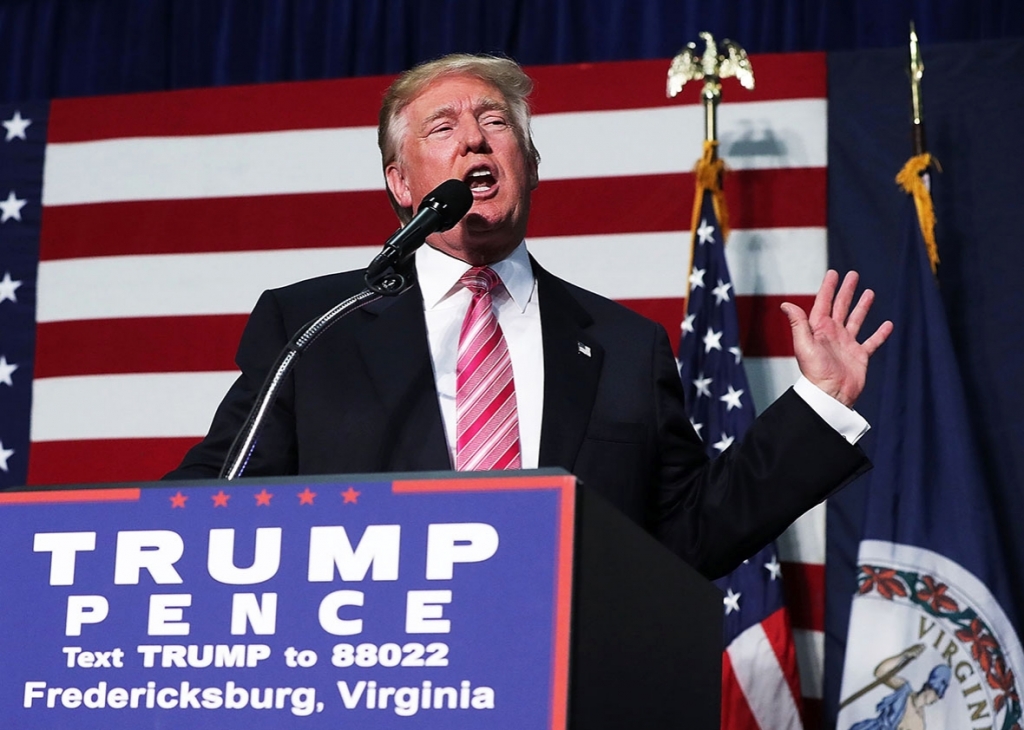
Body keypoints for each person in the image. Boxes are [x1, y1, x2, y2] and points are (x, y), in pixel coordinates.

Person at [165, 53, 893, 580]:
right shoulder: (316, 324)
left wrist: (819, 407)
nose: (475, 140)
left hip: (565, 683)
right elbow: (225, 489)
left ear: (530, 164)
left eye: (493, 123)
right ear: (399, 180)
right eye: (441, 128)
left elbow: (687, 534)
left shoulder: (623, 347)